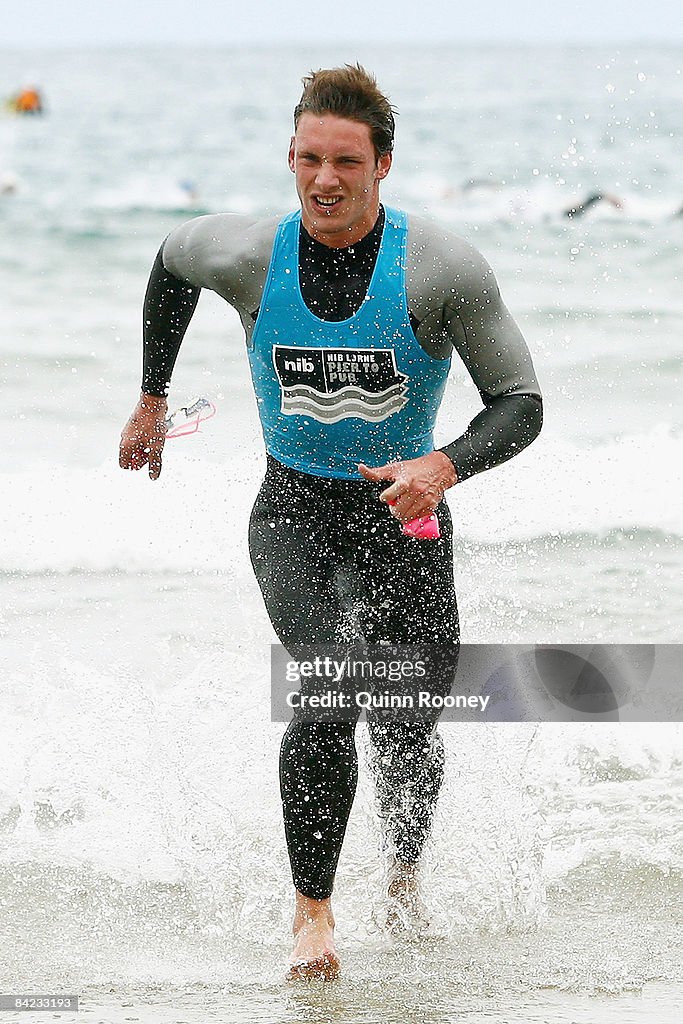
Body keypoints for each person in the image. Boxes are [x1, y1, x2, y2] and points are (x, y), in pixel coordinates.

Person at [119, 64, 543, 981]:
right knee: (328, 685)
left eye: (345, 162)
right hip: (293, 510)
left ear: (381, 166)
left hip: (407, 517)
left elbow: (520, 402)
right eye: (308, 159)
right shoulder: (244, 254)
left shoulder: (442, 268)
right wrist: (151, 397)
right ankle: (312, 915)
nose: (324, 180)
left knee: (406, 720)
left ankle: (400, 878)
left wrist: (442, 465)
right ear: (290, 158)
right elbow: (167, 264)